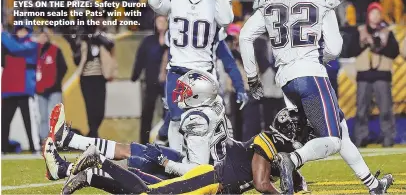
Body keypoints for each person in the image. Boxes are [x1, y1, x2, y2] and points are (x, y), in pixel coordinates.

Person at [238, 0, 391, 194]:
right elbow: (335, 47)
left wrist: (252, 77)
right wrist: (318, 58)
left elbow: (245, 36)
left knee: (340, 129)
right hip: (311, 75)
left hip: (286, 80)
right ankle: (293, 160)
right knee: (333, 140)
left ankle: (373, 186)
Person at [58, 108, 313, 194]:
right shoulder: (265, 142)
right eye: (299, 132)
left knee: (146, 191)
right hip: (211, 180)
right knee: (147, 194)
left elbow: (285, 170)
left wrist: (299, 185)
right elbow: (260, 183)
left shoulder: (272, 148)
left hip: (214, 183)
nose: (300, 138)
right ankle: (100, 160)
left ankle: (90, 177)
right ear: (288, 131)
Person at [44, 70, 232, 181]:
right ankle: (69, 139)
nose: (179, 94)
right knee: (133, 149)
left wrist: (164, 162)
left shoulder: (198, 119)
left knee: (134, 165)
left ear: (199, 96)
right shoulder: (213, 105)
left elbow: (196, 171)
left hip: (202, 180)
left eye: (185, 91)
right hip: (202, 167)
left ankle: (63, 169)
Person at [147, 0, 234, 152]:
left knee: (209, 118)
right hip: (177, 69)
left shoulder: (216, 0)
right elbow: (153, 2)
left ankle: (212, 157)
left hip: (203, 71)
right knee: (176, 119)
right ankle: (179, 159)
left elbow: (227, 19)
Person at [348, 3, 399, 147]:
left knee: (386, 110)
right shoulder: (360, 31)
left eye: (378, 13)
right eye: (373, 13)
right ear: (368, 15)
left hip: (382, 75)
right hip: (364, 75)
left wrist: (380, 46)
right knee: (362, 110)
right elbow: (350, 50)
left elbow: (394, 52)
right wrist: (365, 44)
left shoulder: (387, 32)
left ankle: (388, 138)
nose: (375, 16)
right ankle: (360, 138)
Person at [72, 25, 116, 137]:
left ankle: (92, 133)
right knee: (90, 108)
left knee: (100, 110)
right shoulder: (82, 41)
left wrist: (99, 37)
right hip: (86, 79)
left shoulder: (103, 39)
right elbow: (77, 59)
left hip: (100, 78)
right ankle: (94, 134)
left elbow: (111, 45)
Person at [131, 16, 168, 144]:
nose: (162, 23)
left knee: (168, 112)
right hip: (151, 81)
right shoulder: (149, 41)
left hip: (168, 84)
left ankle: (165, 140)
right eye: (159, 21)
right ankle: (144, 142)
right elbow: (140, 58)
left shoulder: (173, 41)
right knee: (147, 113)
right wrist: (135, 75)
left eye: (164, 21)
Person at [2, 24, 37, 153]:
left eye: (24, 30)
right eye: (19, 30)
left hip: (24, 89)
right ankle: (3, 149)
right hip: (9, 90)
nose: (21, 32)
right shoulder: (7, 44)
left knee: (29, 122)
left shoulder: (31, 45)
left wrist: (2, 33)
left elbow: (16, 49)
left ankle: (34, 148)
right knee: (4, 121)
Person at [36, 29, 67, 142]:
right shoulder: (35, 51)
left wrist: (56, 82)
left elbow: (64, 67)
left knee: (55, 117)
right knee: (43, 117)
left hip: (54, 89)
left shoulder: (55, 50)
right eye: (40, 36)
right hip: (39, 90)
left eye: (44, 36)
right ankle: (44, 140)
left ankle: (57, 140)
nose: (42, 39)